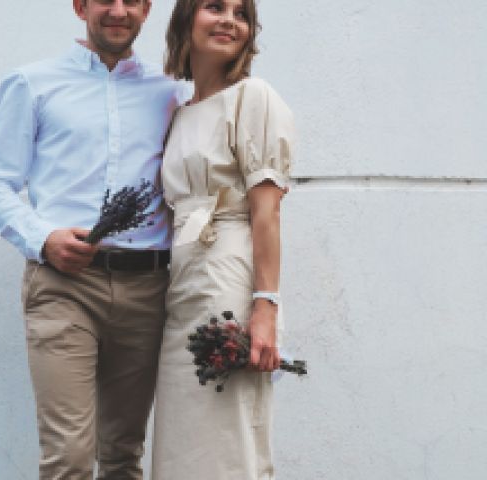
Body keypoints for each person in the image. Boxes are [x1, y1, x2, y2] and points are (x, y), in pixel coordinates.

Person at [0, 0, 185, 478]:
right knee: (68, 456)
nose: (118, 11)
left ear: (146, 9)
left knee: (123, 454)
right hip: (64, 287)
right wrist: (43, 236)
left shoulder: (171, 93)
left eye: (131, 1)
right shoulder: (32, 83)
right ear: (80, 6)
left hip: (148, 290)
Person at [151, 0, 295, 478]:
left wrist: (266, 308)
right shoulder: (180, 113)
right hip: (182, 287)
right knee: (183, 441)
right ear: (186, 19)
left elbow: (267, 212)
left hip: (227, 280)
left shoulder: (253, 97)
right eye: (215, 7)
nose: (230, 20)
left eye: (241, 13)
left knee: (228, 436)